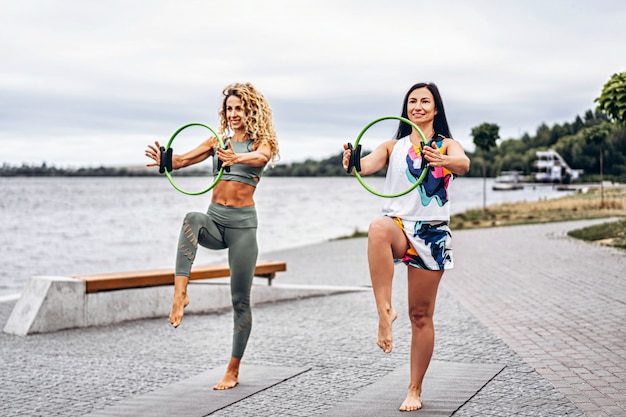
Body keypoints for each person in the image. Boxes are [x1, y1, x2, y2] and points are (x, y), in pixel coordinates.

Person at [342, 82, 470, 411]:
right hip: (399, 225)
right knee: (377, 228)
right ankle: (384, 311)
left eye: (425, 101)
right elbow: (366, 166)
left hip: (432, 233)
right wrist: (352, 161)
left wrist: (440, 159)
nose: (418, 106)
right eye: (412, 101)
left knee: (421, 315)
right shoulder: (393, 146)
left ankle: (415, 388)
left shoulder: (447, 144)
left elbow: (464, 165)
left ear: (436, 108)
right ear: (406, 108)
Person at [145, 82, 279, 390]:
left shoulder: (263, 140)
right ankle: (180, 294)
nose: (233, 114)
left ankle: (233, 369)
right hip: (215, 222)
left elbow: (261, 157)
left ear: (251, 110)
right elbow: (182, 161)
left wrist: (236, 159)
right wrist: (166, 159)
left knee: (240, 300)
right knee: (192, 219)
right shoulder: (217, 141)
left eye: (239, 109)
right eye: (229, 109)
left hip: (243, 228)